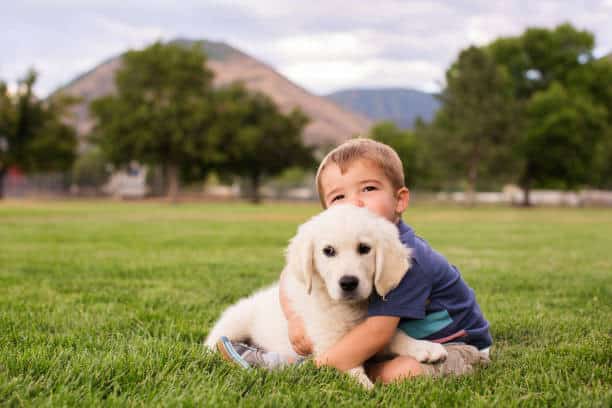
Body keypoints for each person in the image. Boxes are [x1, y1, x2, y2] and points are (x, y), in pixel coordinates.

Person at [216, 138, 491, 383]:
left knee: (401, 372)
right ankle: (306, 361)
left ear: (400, 200)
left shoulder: (408, 259)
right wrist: (293, 320)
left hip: (457, 344)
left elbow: (377, 334)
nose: (353, 204)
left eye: (368, 189)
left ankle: (295, 367)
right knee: (354, 350)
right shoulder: (329, 235)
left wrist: (319, 367)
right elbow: (290, 272)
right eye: (339, 197)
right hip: (390, 337)